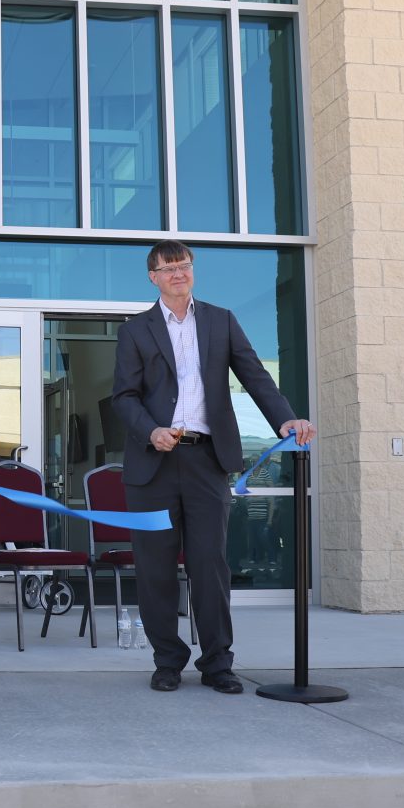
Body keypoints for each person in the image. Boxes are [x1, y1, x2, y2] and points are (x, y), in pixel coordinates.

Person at [112, 240, 314, 695]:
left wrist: (285, 417)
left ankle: (217, 663)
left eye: (183, 264)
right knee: (156, 569)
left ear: (192, 271)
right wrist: (151, 431)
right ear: (153, 277)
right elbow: (123, 396)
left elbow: (255, 375)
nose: (177, 273)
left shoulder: (221, 320)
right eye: (167, 268)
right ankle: (167, 661)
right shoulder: (135, 330)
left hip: (207, 460)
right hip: (153, 464)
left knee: (210, 565)